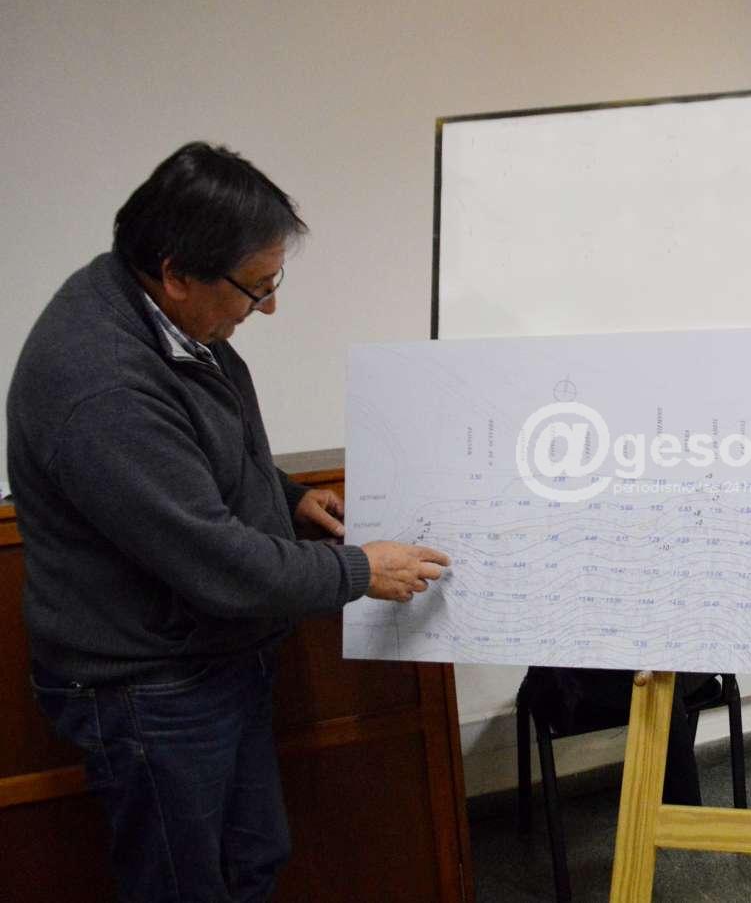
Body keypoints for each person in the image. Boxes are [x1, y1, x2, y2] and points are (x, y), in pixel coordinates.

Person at [5, 142, 449, 902]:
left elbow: (194, 457)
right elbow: (214, 561)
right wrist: (362, 569)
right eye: (255, 287)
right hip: (150, 690)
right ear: (177, 273)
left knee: (253, 859)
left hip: (213, 661)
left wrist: (284, 494)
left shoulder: (167, 317)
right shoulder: (101, 382)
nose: (267, 307)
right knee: (185, 886)